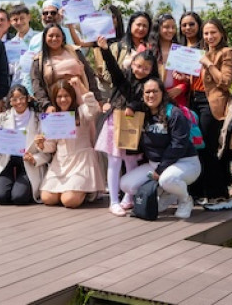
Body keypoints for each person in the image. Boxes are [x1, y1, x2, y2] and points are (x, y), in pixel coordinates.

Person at [119, 77, 201, 219]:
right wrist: (131, 107)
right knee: (126, 184)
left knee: (167, 179)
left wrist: (160, 169)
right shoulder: (143, 113)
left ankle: (185, 200)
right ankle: (167, 193)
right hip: (155, 165)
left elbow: (178, 145)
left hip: (185, 163)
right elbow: (135, 104)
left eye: (155, 91)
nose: (151, 95)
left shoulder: (174, 113)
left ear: (163, 93)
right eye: (147, 92)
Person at [94, 39, 159, 216]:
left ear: (151, 70)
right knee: (114, 161)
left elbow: (147, 104)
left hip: (134, 126)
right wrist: (105, 50)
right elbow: (113, 68)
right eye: (138, 66)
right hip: (115, 123)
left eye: (145, 68)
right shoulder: (123, 78)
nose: (140, 70)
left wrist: (134, 107)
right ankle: (113, 200)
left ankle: (128, 197)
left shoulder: (150, 84)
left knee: (131, 162)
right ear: (132, 64)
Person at [189, 18, 232, 211]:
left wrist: (208, 63)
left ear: (222, 34)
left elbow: (225, 82)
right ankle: (203, 192)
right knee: (199, 148)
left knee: (210, 149)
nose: (209, 37)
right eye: (206, 33)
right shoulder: (205, 53)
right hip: (197, 101)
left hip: (212, 104)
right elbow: (199, 80)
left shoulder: (227, 53)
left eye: (213, 33)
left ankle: (221, 196)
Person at [36, 79, 104, 208]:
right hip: (61, 162)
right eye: (59, 96)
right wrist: (41, 144)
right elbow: (51, 146)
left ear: (72, 96)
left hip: (81, 161)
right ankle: (72, 189)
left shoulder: (81, 112)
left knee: (69, 201)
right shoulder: (53, 117)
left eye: (66, 96)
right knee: (47, 198)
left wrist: (81, 87)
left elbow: (94, 108)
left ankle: (87, 191)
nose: (63, 100)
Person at [0, 85, 49, 205]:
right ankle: (10, 184)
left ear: (28, 99)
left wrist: (35, 159)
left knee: (19, 198)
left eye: (22, 98)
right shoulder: (3, 117)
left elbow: (47, 152)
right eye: (14, 99)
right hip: (7, 161)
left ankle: (20, 187)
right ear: (10, 101)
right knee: (0, 197)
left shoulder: (38, 118)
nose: (18, 102)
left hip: (28, 163)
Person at [30, 24, 101, 113]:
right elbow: (37, 85)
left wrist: (98, 98)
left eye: (58, 36)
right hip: (56, 105)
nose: (54, 38)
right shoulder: (39, 60)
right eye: (51, 36)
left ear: (63, 37)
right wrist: (46, 105)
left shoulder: (74, 51)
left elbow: (89, 74)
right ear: (44, 38)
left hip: (81, 101)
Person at [148, 14, 190, 107]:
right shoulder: (149, 50)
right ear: (158, 28)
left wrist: (181, 87)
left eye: (173, 27)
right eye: (166, 27)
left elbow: (189, 77)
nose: (170, 30)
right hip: (154, 99)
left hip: (177, 99)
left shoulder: (181, 50)